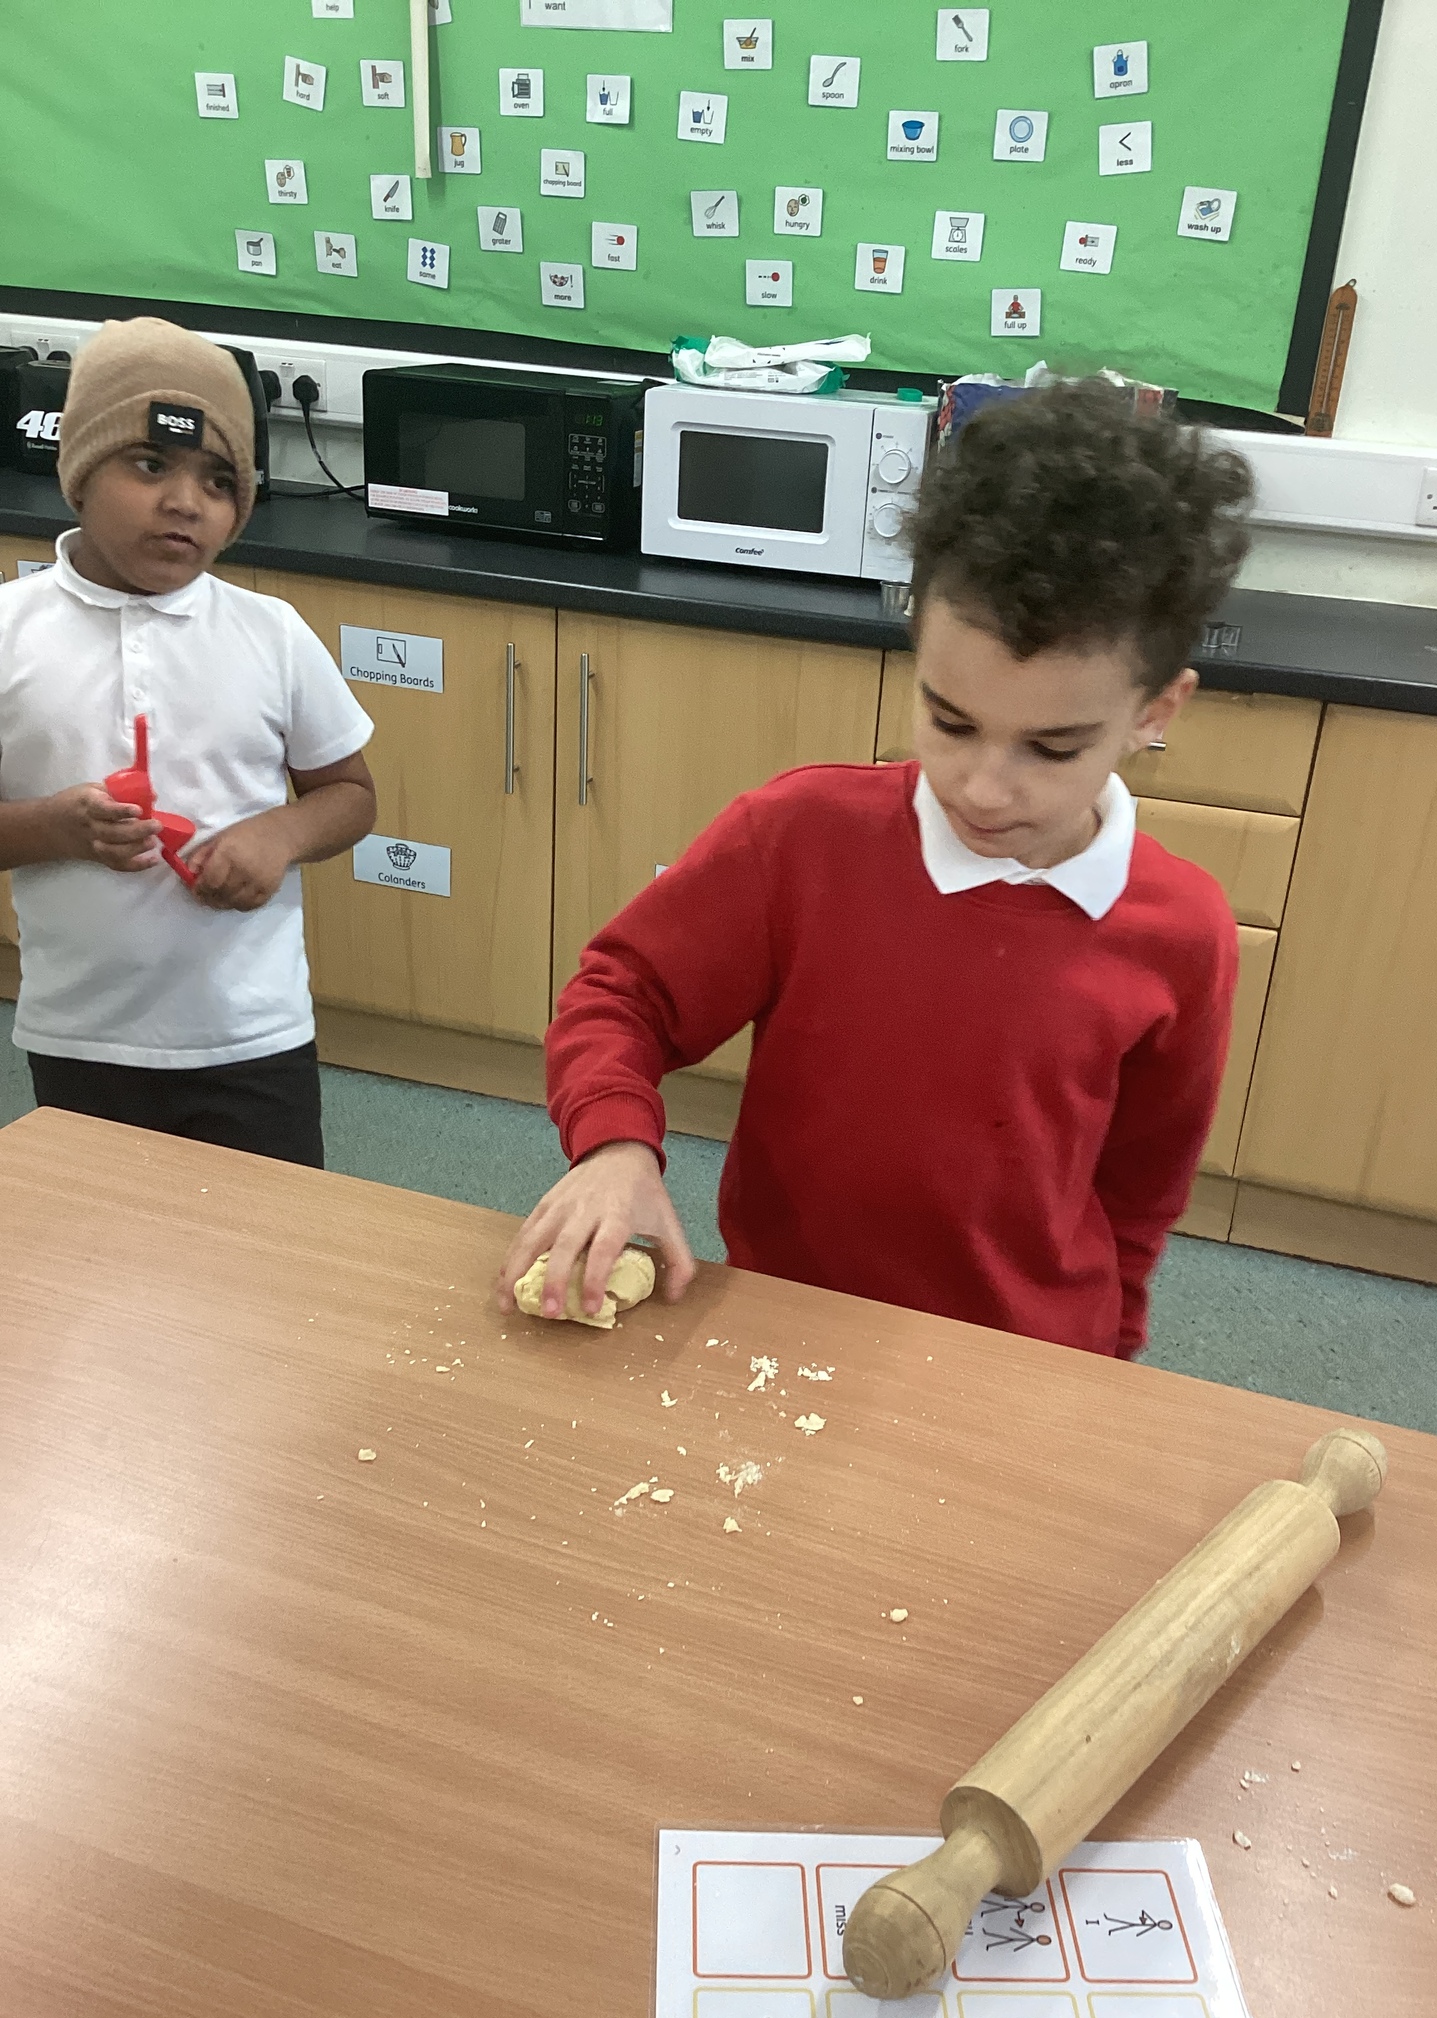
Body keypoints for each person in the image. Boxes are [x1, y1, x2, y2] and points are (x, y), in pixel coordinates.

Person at [499, 380, 1252, 1358]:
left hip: (1023, 1361)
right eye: (950, 720)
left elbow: (1139, 1199)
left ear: (1155, 711)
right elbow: (621, 994)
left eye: (1052, 747)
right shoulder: (801, 837)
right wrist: (614, 1143)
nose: (984, 786)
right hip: (786, 1331)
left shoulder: (1183, 932)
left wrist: (1107, 1370)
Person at [0, 317, 376, 1168]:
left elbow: (350, 796)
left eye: (218, 481)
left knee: (266, 1242)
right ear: (79, 471)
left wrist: (278, 834)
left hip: (254, 1036)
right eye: (150, 465)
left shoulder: (271, 633)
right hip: (82, 1036)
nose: (185, 501)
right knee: (101, 1243)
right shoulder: (10, 632)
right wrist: (56, 829)